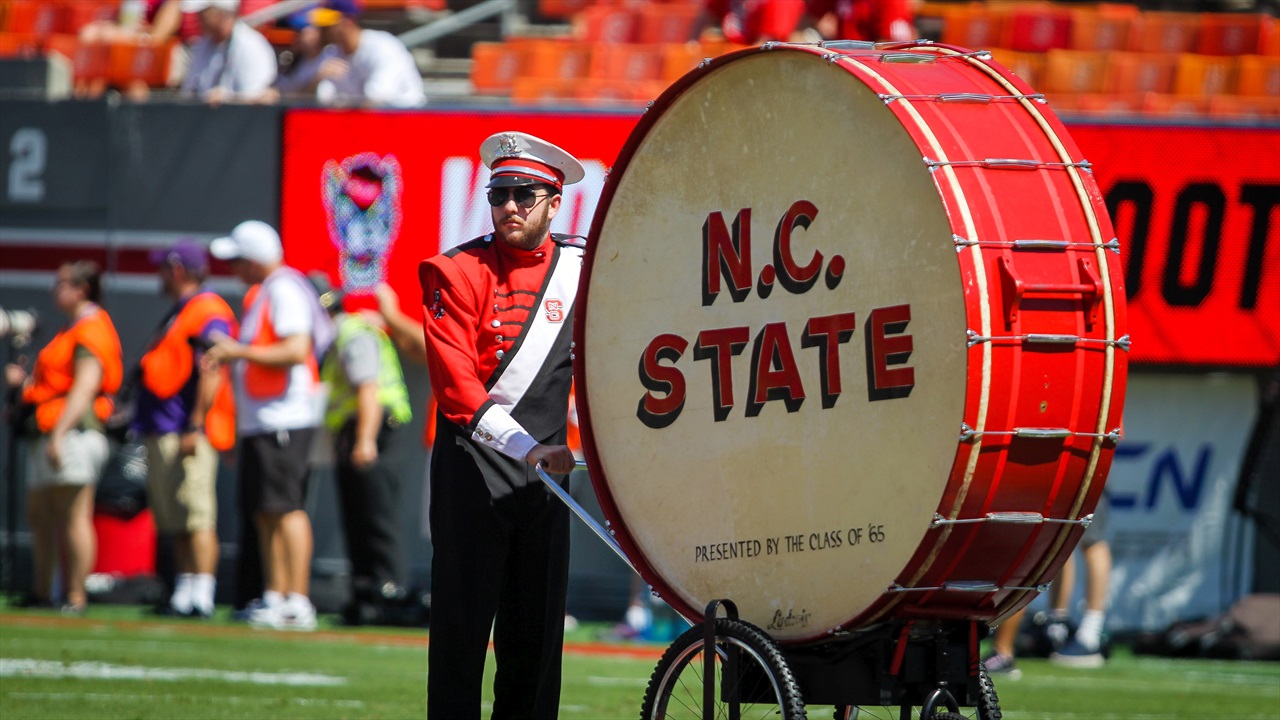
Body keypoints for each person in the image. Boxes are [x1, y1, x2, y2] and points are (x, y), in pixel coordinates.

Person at [420, 131, 583, 717]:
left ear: (554, 201)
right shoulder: (455, 270)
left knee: (535, 646)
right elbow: (455, 385)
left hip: (546, 480)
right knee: (460, 640)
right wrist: (525, 446)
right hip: (473, 470)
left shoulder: (582, 269)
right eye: (498, 194)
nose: (508, 206)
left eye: (524, 193)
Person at [205, 220, 333, 631]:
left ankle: (297, 600)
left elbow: (297, 349)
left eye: (239, 259)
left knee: (286, 508)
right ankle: (276, 596)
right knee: (266, 511)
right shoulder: (268, 291)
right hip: (267, 420)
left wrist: (235, 350)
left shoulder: (283, 288)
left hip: (286, 418)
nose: (234, 269)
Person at [4, 262, 123, 614]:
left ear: (81, 288)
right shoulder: (69, 330)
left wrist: (59, 434)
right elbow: (56, 385)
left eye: (61, 284)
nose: (55, 290)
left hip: (73, 432)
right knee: (40, 514)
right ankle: (42, 591)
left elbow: (86, 386)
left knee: (74, 514)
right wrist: (22, 386)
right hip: (47, 429)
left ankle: (75, 596)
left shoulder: (92, 329)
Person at [133, 240, 238, 619]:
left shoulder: (207, 310)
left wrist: (195, 423)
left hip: (186, 428)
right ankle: (184, 590)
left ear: (179, 270)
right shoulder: (183, 310)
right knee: (175, 516)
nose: (159, 274)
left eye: (164, 267)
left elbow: (211, 366)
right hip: (165, 427)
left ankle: (203, 593)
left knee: (197, 515)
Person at [309, 273, 414, 626]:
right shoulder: (346, 333)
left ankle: (390, 592)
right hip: (361, 430)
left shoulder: (352, 334)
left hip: (375, 431)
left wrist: (365, 440)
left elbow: (368, 390)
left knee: (376, 517)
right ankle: (369, 592)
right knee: (360, 517)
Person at [985, 498, 1113, 676]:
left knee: (1090, 540)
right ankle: (1056, 625)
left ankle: (1090, 635)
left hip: (1082, 471)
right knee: (1058, 536)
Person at [308, 0, 427, 108]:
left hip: (408, 120)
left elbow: (376, 97)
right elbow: (295, 90)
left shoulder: (382, 46)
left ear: (347, 22)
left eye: (328, 25)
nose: (322, 30)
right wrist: (317, 80)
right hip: (367, 123)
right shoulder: (332, 52)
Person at [181, 0, 277, 105]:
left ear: (221, 15)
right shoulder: (204, 43)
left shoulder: (251, 45)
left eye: (203, 13)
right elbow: (188, 92)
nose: (197, 18)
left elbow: (255, 101)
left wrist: (226, 98)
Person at [795, 0, 915, 44]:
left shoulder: (892, 2)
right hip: (842, 62)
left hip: (873, 71)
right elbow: (808, 17)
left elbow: (894, 46)